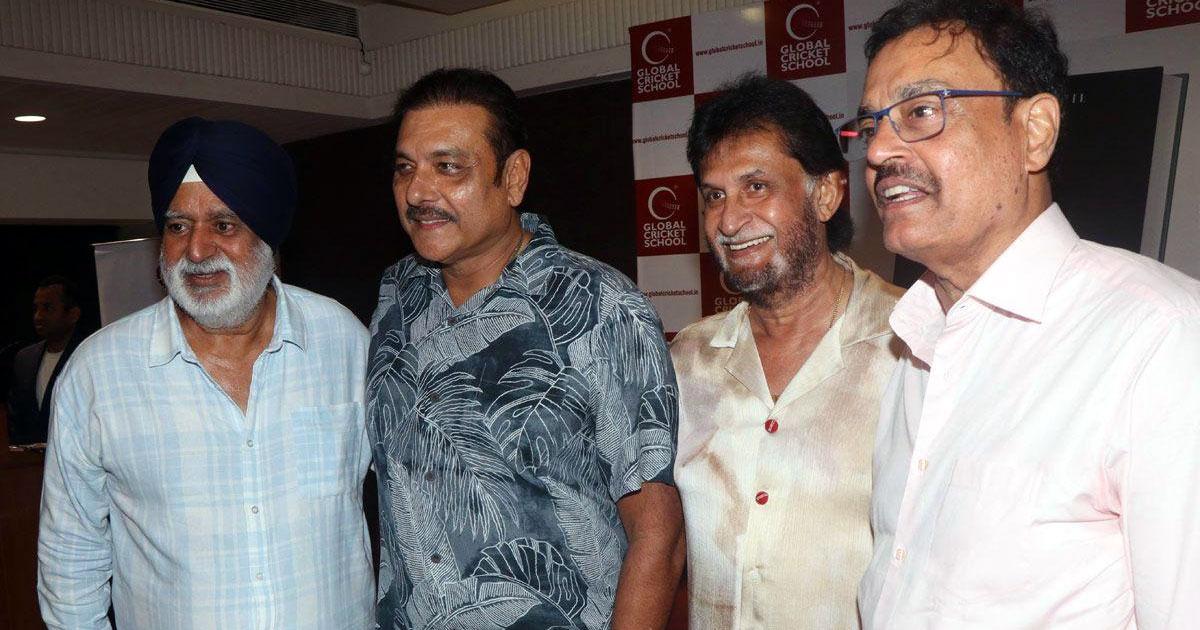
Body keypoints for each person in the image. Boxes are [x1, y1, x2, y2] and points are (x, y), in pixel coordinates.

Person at [845, 1, 1200, 627]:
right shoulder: (916, 340)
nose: (879, 150)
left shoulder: (1158, 337)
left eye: (921, 111)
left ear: (1034, 131)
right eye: (872, 124)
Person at [367, 67, 685, 630]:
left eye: (448, 167)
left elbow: (658, 536)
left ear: (513, 178)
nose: (417, 192)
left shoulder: (602, 307)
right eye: (405, 168)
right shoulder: (395, 298)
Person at [37, 117, 374, 629]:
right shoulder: (98, 375)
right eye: (178, 226)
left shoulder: (343, 342)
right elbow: (70, 561)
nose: (196, 251)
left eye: (223, 225)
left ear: (268, 235)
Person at [671, 74, 903, 629]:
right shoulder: (687, 362)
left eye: (756, 187)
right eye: (714, 195)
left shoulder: (912, 345)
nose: (729, 221)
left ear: (825, 194)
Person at [7, 276, 82, 445]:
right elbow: (15, 417)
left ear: (73, 314)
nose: (38, 316)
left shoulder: (86, 355)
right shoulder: (25, 359)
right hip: (28, 458)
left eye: (47, 308)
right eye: (36, 308)